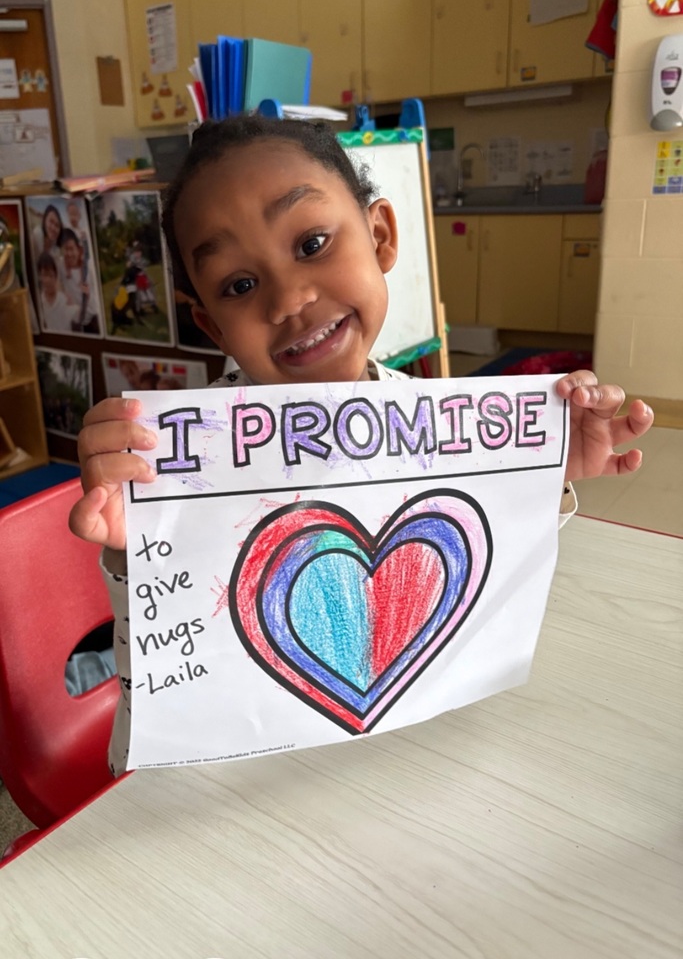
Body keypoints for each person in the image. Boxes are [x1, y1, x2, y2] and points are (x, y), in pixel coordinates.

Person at [68, 115, 654, 777]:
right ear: (210, 323)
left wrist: (542, 475)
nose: (289, 298)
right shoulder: (168, 466)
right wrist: (133, 547)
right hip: (234, 782)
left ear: (379, 237)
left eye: (312, 242)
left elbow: (484, 607)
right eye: (238, 284)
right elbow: (162, 688)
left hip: (406, 760)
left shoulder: (445, 425)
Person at [59, 227, 101, 334]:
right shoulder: (61, 266)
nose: (69, 254)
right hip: (76, 324)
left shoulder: (88, 268)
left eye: (71, 249)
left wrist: (88, 296)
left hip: (93, 320)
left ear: (78, 249)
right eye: (65, 249)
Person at [37, 250, 81, 333]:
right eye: (44, 275)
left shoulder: (64, 300)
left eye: (50, 275)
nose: (48, 280)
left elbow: (80, 315)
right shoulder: (39, 304)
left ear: (56, 276)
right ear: (40, 277)